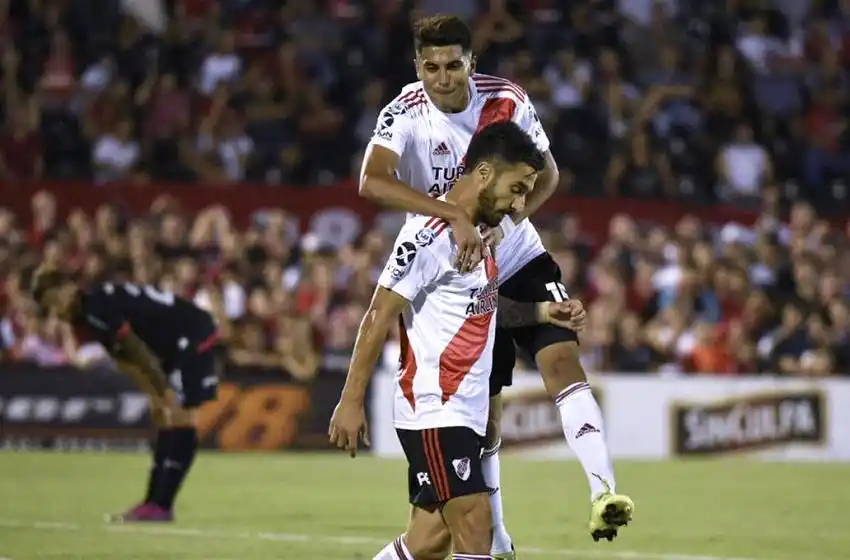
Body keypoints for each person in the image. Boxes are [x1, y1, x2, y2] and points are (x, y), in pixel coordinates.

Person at [359, 14, 633, 556]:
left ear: (471, 63)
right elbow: (372, 181)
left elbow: (548, 174)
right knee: (481, 411)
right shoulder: (405, 114)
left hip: (515, 252)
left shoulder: (505, 100)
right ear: (417, 67)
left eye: (454, 65)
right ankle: (498, 537)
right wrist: (455, 217)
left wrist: (500, 225)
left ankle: (603, 490)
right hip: (455, 265)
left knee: (560, 358)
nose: (443, 77)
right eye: (431, 67)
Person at [332, 121, 587, 560]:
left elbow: (485, 306)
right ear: (485, 174)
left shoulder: (481, 236)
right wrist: (351, 399)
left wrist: (544, 313)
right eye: (517, 188)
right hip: (435, 405)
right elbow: (378, 315)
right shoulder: (427, 235)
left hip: (464, 410)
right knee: (474, 523)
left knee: (427, 543)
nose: (520, 203)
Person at [30, 268, 222, 522]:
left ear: (69, 288)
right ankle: (155, 501)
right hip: (172, 342)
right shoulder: (89, 314)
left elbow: (135, 348)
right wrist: (152, 392)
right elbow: (124, 359)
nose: (56, 310)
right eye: (50, 307)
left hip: (193, 332)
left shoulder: (96, 307)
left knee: (180, 415)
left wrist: (162, 389)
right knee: (166, 417)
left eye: (54, 300)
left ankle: (161, 505)